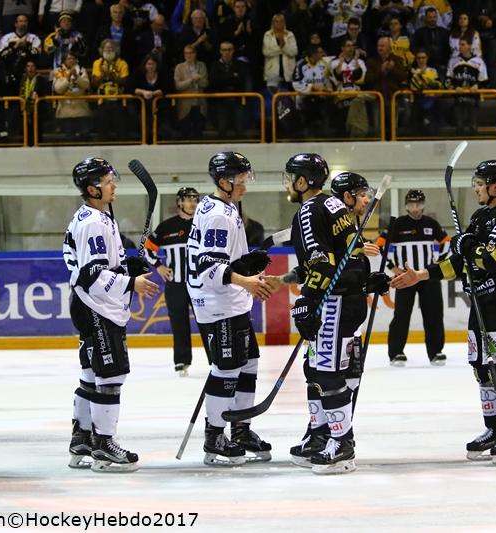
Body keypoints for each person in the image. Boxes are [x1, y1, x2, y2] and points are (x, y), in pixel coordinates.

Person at [392, 160, 496, 465]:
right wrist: (421, 275)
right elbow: (458, 263)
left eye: (480, 184)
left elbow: (493, 259)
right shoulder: (480, 217)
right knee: (482, 368)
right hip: (481, 302)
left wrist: (468, 246)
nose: (476, 189)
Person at [283, 153, 384, 475]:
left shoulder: (310, 209)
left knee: (327, 374)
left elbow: (322, 262)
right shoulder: (334, 206)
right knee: (315, 369)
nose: (287, 184)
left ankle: (341, 444)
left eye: (290, 178)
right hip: (346, 299)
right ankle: (320, 435)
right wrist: (365, 281)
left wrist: (307, 301)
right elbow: (349, 254)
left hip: (334, 302)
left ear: (302, 181)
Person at [63, 158, 158, 473]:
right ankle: (104, 445)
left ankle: (82, 439)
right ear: (92, 189)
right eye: (107, 181)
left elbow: (101, 264)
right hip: (97, 307)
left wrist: (128, 266)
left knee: (91, 374)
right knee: (110, 376)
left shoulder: (93, 216)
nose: (113, 185)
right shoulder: (94, 222)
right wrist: (131, 282)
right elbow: (92, 273)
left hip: (88, 304)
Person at [186, 152, 274, 466]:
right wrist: (246, 281)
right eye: (241, 180)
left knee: (248, 362)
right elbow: (209, 267)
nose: (245, 185)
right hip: (218, 304)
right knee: (227, 368)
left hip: (230, 301)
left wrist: (245, 265)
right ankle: (215, 435)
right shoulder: (219, 215)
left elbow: (223, 258)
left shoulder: (222, 206)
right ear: (224, 181)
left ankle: (241, 429)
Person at [380, 189, 448, 367]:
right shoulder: (398, 224)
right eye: (411, 204)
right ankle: (396, 352)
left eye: (418, 204)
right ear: (406, 206)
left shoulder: (431, 223)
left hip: (427, 277)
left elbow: (447, 241)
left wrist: (438, 264)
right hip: (405, 278)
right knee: (401, 315)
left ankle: (436, 351)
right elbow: (380, 245)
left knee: (434, 314)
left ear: (423, 205)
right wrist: (392, 267)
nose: (415, 208)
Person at [145, 187, 199, 375]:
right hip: (176, 285)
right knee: (179, 323)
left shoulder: (203, 224)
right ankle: (181, 361)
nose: (192, 203)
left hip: (200, 284)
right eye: (188, 199)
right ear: (179, 202)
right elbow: (147, 249)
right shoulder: (166, 227)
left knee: (208, 322)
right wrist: (158, 266)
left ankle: (216, 360)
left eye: (195, 199)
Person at [446, 38, 488, 136]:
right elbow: (447, 80)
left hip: (473, 99)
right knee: (459, 126)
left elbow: (485, 81)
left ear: (469, 46)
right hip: (458, 99)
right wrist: (455, 87)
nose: (460, 47)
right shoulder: (453, 61)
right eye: (459, 44)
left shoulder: (479, 61)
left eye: (463, 44)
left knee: (473, 126)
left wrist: (477, 85)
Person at [174, 44, 209, 139]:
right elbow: (178, 86)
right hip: (185, 104)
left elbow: (205, 83)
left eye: (191, 53)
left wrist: (198, 79)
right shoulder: (179, 67)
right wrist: (191, 80)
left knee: (198, 133)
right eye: (186, 53)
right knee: (185, 133)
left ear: (195, 54)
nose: (189, 55)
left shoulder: (202, 65)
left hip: (199, 103)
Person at [262, 13, 298, 92]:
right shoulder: (267, 34)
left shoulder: (290, 34)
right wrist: (280, 47)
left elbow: (294, 52)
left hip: (288, 70)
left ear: (284, 22)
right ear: (273, 23)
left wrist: (284, 46)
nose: (279, 23)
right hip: (272, 71)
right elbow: (266, 52)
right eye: (276, 21)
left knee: (289, 96)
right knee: (273, 96)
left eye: (281, 21)